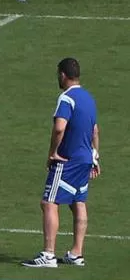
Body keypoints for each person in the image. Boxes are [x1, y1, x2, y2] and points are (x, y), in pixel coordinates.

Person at [23, 58, 100, 268]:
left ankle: (48, 255)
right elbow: (95, 130)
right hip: (85, 158)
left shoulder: (67, 98)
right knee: (78, 202)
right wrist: (95, 157)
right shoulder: (89, 98)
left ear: (63, 75)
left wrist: (52, 153)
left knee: (48, 202)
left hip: (68, 160)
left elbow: (59, 128)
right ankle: (77, 252)